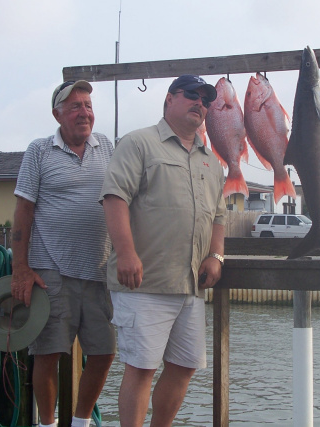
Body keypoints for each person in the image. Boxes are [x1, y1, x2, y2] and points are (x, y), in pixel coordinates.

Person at [100, 74, 226, 426]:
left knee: (185, 366)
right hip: (144, 282)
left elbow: (219, 215)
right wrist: (125, 253)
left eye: (206, 99)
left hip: (191, 286)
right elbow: (114, 198)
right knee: (141, 368)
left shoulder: (211, 161)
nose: (200, 103)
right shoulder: (138, 143)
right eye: (191, 95)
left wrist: (216, 256)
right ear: (169, 99)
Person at [11, 80, 116, 427]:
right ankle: (47, 423)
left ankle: (81, 422)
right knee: (48, 353)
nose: (84, 112)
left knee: (104, 352)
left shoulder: (109, 148)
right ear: (57, 114)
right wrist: (21, 269)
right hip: (52, 270)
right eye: (75, 106)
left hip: (100, 271)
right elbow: (24, 210)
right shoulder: (39, 151)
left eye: (88, 105)